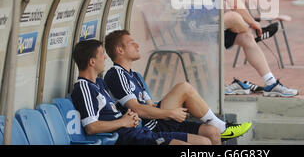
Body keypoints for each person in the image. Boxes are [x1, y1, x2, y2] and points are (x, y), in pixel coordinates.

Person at [103, 30, 252, 144]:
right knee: (183, 88)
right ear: (120, 50)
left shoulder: (135, 75)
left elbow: (151, 105)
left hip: (159, 120)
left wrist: (174, 109)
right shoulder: (116, 74)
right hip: (150, 127)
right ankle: (222, 126)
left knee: (213, 133)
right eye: (131, 43)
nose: (137, 45)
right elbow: (137, 109)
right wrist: (171, 113)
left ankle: (219, 127)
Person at [72, 39, 210, 145]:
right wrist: (123, 122)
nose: (105, 58)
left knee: (205, 142)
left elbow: (113, 112)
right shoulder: (83, 87)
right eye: (102, 55)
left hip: (138, 132)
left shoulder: (100, 83)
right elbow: (91, 127)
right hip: (127, 138)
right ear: (92, 62)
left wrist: (129, 117)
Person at [222, 0, 299, 98]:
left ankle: (271, 83)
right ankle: (257, 31)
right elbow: (233, 2)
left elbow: (230, 0)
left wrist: (252, 19)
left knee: (245, 37)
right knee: (234, 17)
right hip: (195, 28)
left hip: (211, 25)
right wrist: (251, 22)